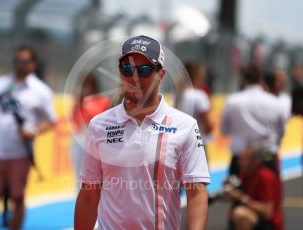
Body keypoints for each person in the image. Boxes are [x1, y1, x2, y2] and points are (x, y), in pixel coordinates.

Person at [74, 35, 210, 230]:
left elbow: (196, 192)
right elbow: (88, 195)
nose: (134, 78)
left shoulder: (185, 126)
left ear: (161, 75)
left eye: (144, 70)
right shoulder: (98, 125)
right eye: (127, 69)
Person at [0, 45, 56, 230]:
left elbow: (52, 121)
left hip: (20, 155)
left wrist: (34, 130)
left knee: (17, 198)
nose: (19, 65)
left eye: (23, 61)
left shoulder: (41, 90)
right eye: (16, 61)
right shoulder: (1, 83)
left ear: (33, 64)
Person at [221, 64, 286, 176]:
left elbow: (224, 130)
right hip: (267, 158)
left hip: (240, 160)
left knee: (235, 192)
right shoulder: (275, 102)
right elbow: (281, 132)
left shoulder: (232, 101)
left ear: (243, 79)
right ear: (261, 79)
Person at [225, 147, 283, 230]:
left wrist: (241, 198)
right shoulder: (245, 174)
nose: (239, 162)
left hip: (270, 223)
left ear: (255, 161)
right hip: (256, 216)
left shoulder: (265, 177)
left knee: (240, 214)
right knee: (234, 210)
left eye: (243, 159)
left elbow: (268, 212)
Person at [70, 73, 110, 188]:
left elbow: (99, 119)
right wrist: (77, 101)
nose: (86, 88)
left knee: (97, 174)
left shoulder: (102, 100)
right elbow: (76, 121)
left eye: (88, 84)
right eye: (84, 85)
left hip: (97, 140)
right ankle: (79, 196)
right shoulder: (79, 102)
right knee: (79, 174)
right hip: (80, 139)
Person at [175, 60, 214, 145]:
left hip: (180, 141)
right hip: (197, 143)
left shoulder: (177, 94)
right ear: (198, 76)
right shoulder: (199, 96)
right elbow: (208, 126)